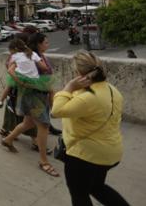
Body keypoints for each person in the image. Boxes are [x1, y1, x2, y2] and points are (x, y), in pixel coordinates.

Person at [51, 51, 130, 206]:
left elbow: (56, 111)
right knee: (97, 187)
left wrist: (69, 87)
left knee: (79, 194)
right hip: (109, 152)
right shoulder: (113, 90)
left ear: (79, 73)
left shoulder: (86, 98)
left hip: (85, 156)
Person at [0, 39, 59, 177]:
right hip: (34, 93)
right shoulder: (31, 54)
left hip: (29, 92)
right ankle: (44, 161)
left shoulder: (16, 56)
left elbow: (10, 69)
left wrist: (21, 80)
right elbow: (44, 68)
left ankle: (8, 140)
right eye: (45, 42)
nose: (47, 44)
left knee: (28, 123)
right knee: (43, 126)